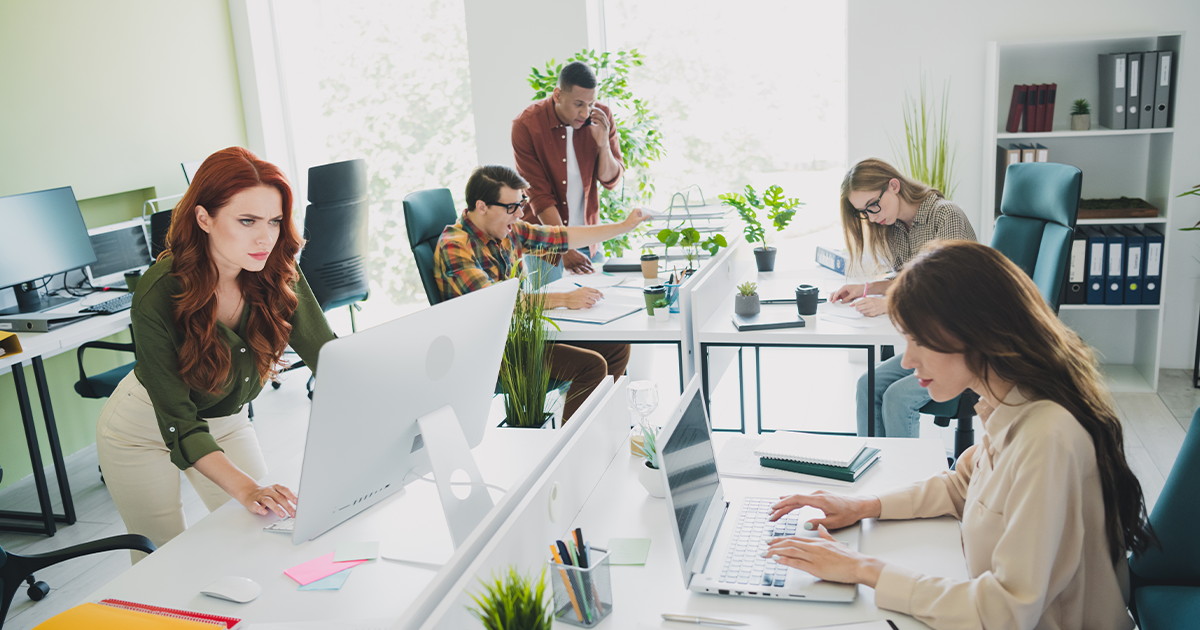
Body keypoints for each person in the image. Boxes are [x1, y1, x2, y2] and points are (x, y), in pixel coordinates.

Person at [766, 241, 1154, 630]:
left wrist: (863, 569)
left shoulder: (1046, 436)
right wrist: (863, 506)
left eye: (918, 340)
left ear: (976, 334)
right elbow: (962, 486)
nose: (906, 360)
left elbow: (1005, 611)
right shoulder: (1009, 402)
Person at [96, 147, 335, 562]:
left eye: (274, 221)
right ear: (204, 218)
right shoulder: (160, 292)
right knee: (163, 558)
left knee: (264, 532)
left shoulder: (276, 272)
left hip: (225, 421)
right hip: (142, 431)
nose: (265, 238)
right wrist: (245, 488)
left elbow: (331, 359)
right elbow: (180, 422)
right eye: (247, 221)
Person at [435, 165, 647, 421]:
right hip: (493, 351)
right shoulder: (455, 247)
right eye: (512, 207)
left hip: (519, 336)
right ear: (482, 206)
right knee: (592, 367)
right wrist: (564, 300)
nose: (519, 214)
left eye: (521, 203)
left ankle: (599, 429)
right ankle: (572, 452)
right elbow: (498, 304)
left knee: (616, 347)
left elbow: (561, 237)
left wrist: (624, 227)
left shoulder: (507, 230)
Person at [829, 158, 976, 438]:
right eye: (864, 212)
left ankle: (907, 479)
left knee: (898, 397)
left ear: (893, 186)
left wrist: (889, 304)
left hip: (966, 343)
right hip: (934, 343)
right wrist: (866, 288)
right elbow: (909, 280)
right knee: (866, 385)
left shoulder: (945, 217)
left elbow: (950, 292)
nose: (872, 217)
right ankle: (874, 472)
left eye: (873, 205)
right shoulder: (897, 227)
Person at [512, 60, 624, 275]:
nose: (585, 112)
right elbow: (539, 196)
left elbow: (611, 180)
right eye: (578, 104)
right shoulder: (526, 125)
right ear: (557, 95)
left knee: (597, 304)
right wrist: (564, 247)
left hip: (588, 240)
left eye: (591, 104)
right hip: (545, 246)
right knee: (550, 307)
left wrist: (603, 145)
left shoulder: (602, 117)